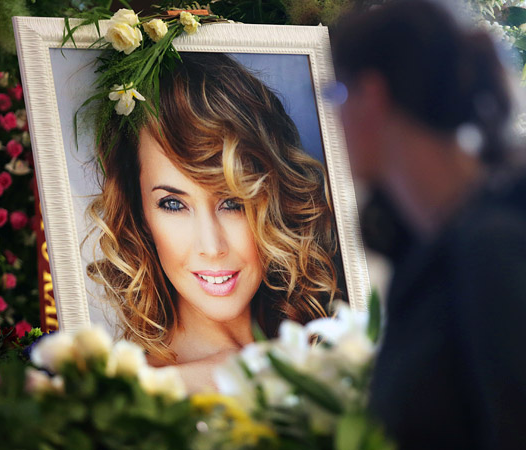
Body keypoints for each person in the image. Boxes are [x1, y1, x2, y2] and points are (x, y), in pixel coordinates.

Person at [332, 0, 526, 449]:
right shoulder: (445, 242)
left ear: (373, 95)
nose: (332, 115)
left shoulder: (494, 249)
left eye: (336, 94)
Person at [85, 53, 341, 391]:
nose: (211, 246)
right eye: (173, 204)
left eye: (233, 202)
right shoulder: (141, 396)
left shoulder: (336, 338)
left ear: (274, 199)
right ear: (140, 213)